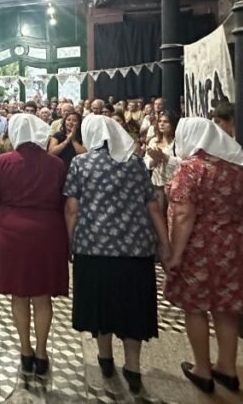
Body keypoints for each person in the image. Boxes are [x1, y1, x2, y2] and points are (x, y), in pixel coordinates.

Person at [65, 115, 168, 395]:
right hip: (135, 250)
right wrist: (164, 243)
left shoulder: (81, 163)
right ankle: (133, 368)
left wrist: (69, 241)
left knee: (101, 304)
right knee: (133, 306)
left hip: (93, 248)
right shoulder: (134, 163)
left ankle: (105, 358)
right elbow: (153, 206)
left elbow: (72, 208)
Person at [164, 117, 243, 394]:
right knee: (226, 307)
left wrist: (175, 254)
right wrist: (241, 241)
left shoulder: (191, 170)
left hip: (199, 246)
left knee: (196, 307)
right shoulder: (239, 170)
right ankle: (227, 368)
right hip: (233, 244)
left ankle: (202, 369)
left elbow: (183, 214)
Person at [0, 114, 67, 390]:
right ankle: (42, 353)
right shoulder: (56, 164)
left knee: (19, 296)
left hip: (12, 233)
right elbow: (64, 201)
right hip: (47, 233)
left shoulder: (3, 162)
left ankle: (25, 350)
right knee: (42, 297)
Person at [144, 110, 180, 212]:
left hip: (174, 186)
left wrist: (164, 156)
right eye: (160, 121)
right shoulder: (153, 141)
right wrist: (154, 159)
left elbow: (182, 163)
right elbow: (146, 164)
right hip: (156, 185)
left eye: (166, 121)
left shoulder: (177, 142)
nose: (162, 124)